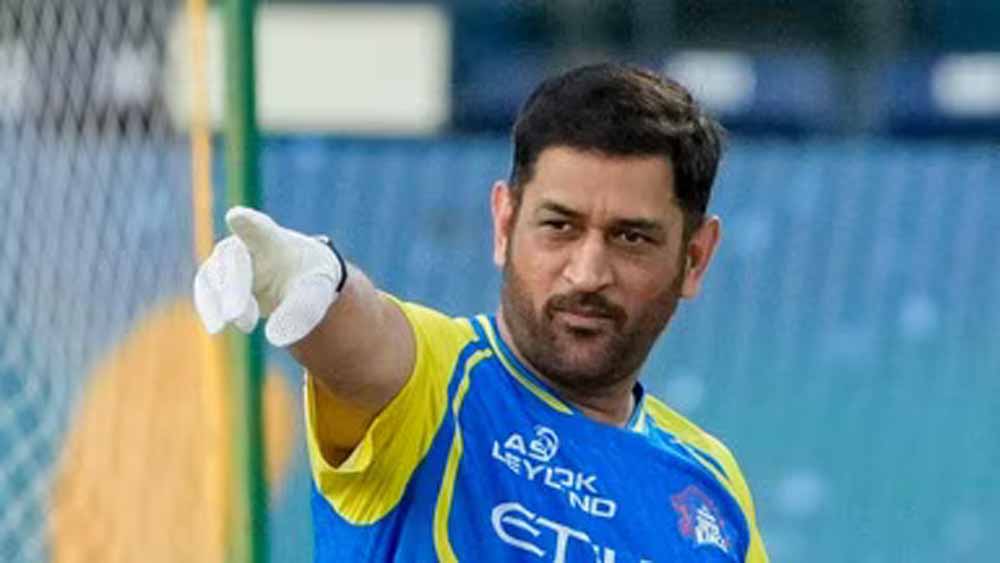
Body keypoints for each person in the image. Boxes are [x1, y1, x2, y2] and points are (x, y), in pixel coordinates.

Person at [194, 62, 769, 562]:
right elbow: (366, 341)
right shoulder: (439, 378)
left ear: (695, 258)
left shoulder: (711, 487)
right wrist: (315, 277)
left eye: (631, 238)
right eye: (559, 226)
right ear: (504, 223)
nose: (587, 273)